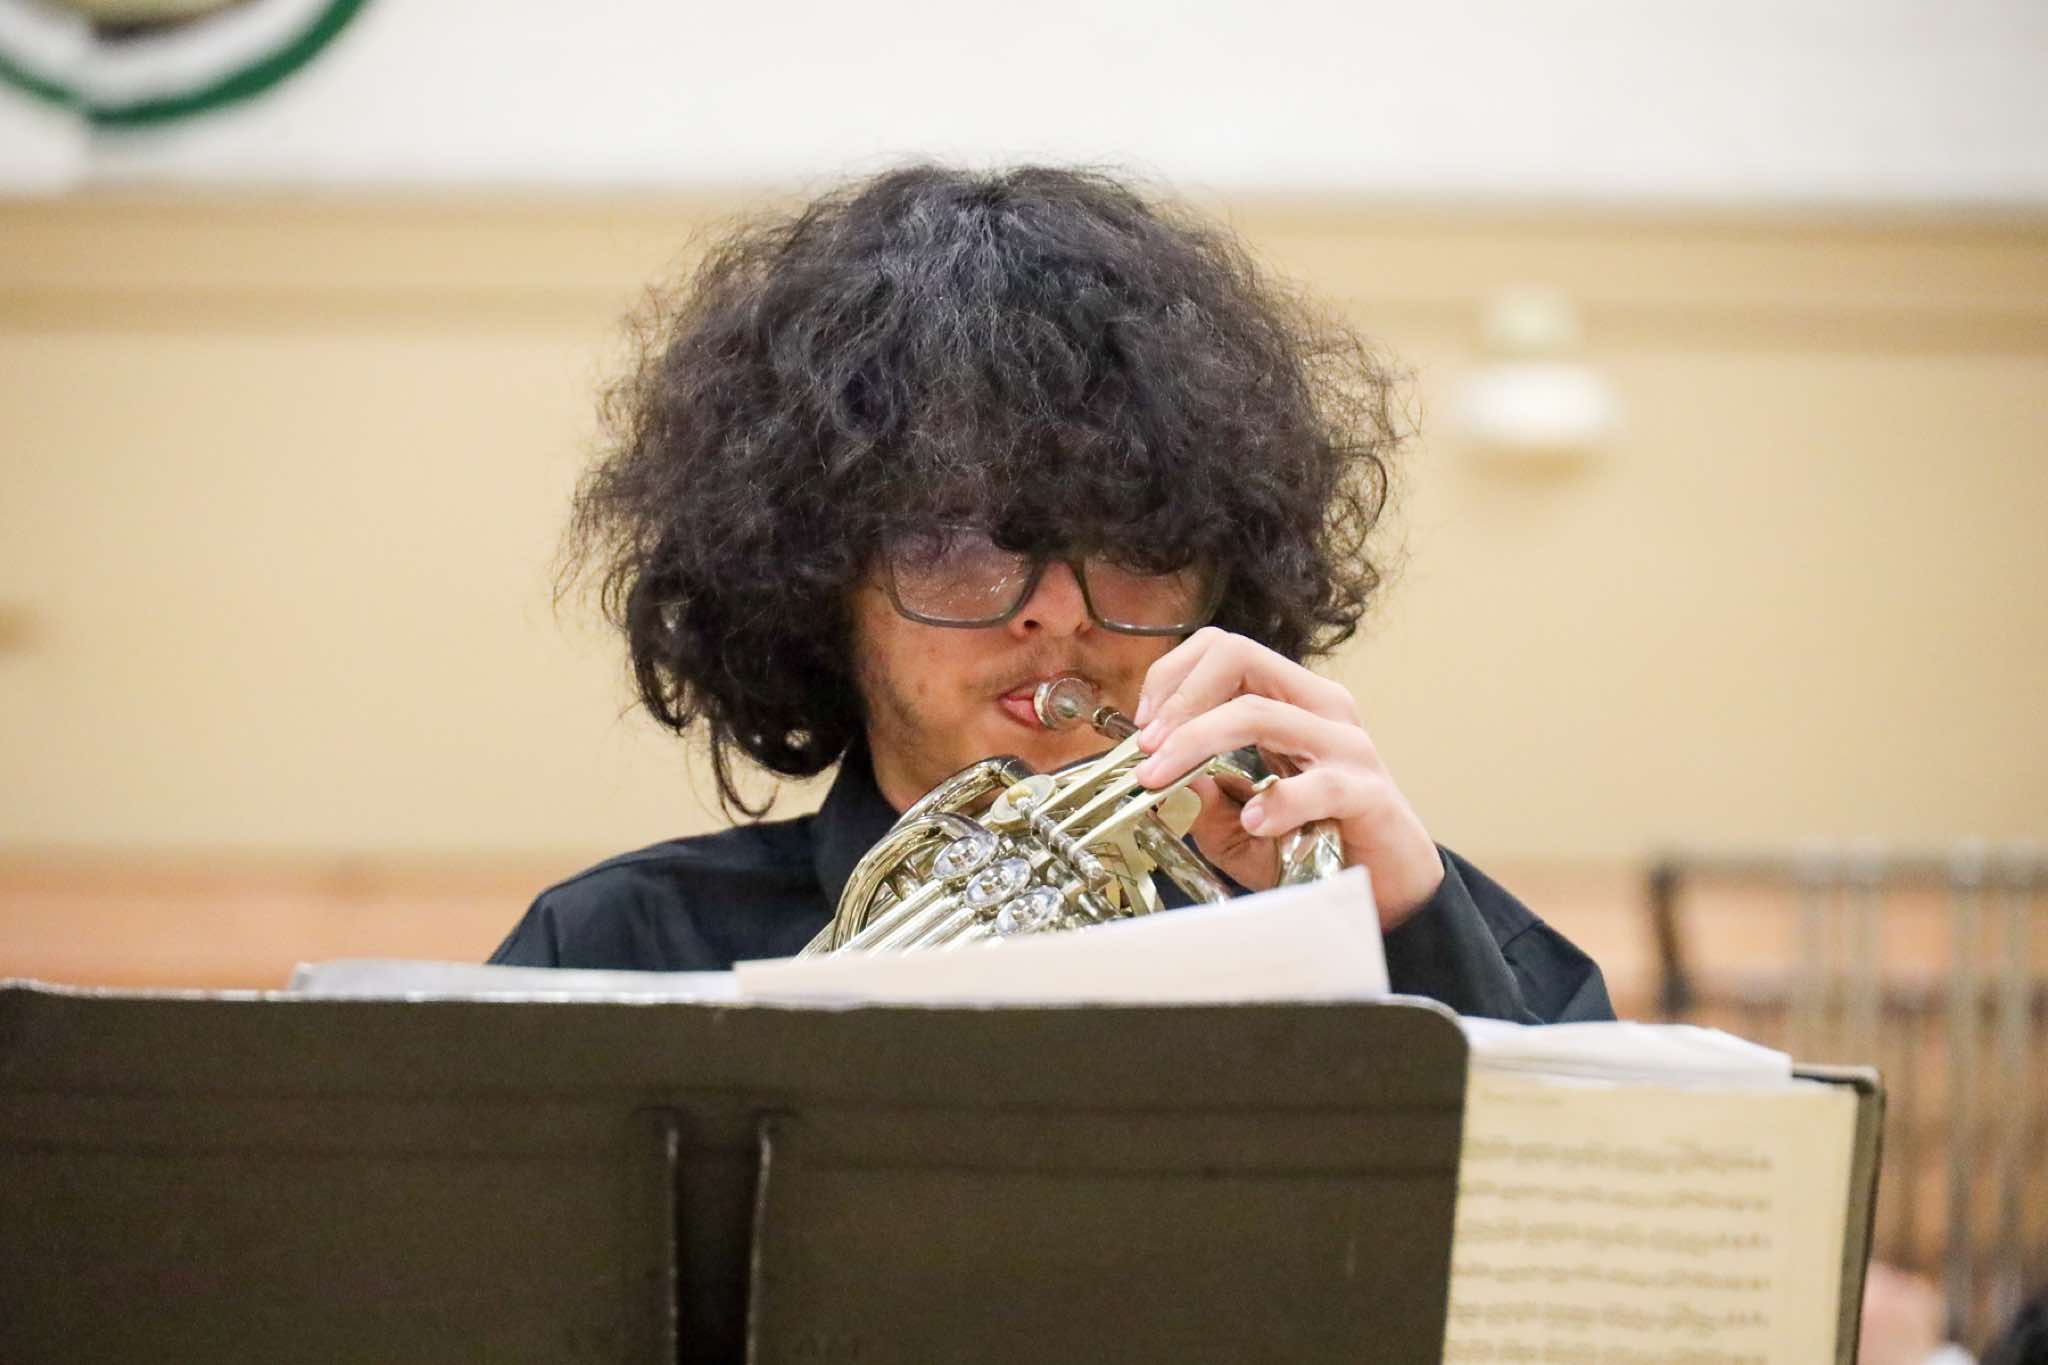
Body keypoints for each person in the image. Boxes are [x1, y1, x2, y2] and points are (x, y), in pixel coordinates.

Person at [490, 163, 1612, 1023]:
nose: (1060, 611)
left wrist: (1405, 937)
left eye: (1137, 539)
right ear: (818, 583)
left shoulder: (1422, 927)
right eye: (960, 541)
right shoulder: (616, 953)